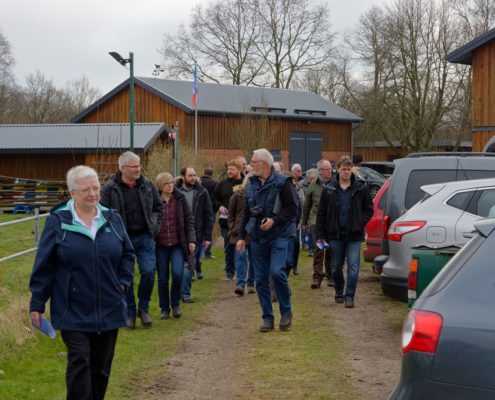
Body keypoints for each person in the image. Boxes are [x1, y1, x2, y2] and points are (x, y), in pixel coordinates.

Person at [29, 165, 134, 400]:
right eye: (86, 189)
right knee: (79, 362)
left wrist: (122, 283)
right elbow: (44, 265)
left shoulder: (112, 218)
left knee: (101, 369)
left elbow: (128, 253)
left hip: (109, 306)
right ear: (72, 193)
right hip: (72, 308)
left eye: (96, 188)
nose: (93, 194)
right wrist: (37, 302)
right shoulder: (58, 222)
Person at [237, 148, 298, 332]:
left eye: (253, 161)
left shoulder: (283, 182)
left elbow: (292, 209)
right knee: (261, 280)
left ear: (264, 163)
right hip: (257, 237)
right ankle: (267, 318)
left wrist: (274, 220)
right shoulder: (251, 183)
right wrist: (241, 237)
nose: (250, 164)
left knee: (277, 272)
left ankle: (286, 312)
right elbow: (247, 212)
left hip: (279, 235)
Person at [100, 151, 162, 329]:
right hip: (121, 239)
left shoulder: (148, 184)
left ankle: (144, 309)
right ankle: (129, 313)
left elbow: (158, 208)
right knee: (125, 277)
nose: (138, 169)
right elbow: (103, 214)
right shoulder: (110, 189)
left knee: (149, 272)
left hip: (144, 237)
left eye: (139, 165)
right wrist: (111, 235)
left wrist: (155, 228)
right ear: (123, 168)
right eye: (134, 166)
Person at [316, 156, 373, 308]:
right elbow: (321, 213)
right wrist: (320, 236)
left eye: (349, 169)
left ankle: (350, 296)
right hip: (335, 235)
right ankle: (339, 290)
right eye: (343, 169)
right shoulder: (329, 188)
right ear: (338, 170)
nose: (346, 172)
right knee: (335, 267)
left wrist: (360, 221)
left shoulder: (361, 187)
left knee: (353, 267)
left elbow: (369, 209)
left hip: (354, 235)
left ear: (351, 169)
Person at [155, 172, 196, 320]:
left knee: (178, 274)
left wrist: (191, 240)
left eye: (171, 183)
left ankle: (176, 304)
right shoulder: (154, 200)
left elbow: (189, 221)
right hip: (160, 245)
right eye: (167, 184)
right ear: (160, 186)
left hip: (178, 244)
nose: (170, 185)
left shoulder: (180, 199)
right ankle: (164, 308)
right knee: (163, 278)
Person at [177, 166, 214, 302]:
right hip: (178, 234)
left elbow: (208, 215)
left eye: (194, 175)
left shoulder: (202, 192)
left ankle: (185, 294)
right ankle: (178, 293)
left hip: (196, 234)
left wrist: (207, 237)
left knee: (189, 264)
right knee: (179, 266)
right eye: (190, 175)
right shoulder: (175, 192)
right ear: (183, 177)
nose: (193, 178)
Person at [301, 159, 333, 289]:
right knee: (319, 250)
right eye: (326, 169)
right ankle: (317, 277)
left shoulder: (335, 184)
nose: (329, 171)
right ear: (319, 171)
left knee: (331, 250)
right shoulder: (313, 185)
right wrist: (304, 222)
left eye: (330, 169)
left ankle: (331, 276)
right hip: (316, 223)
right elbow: (307, 205)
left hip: (331, 223)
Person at [213, 159, 243, 280]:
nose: (229, 171)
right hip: (226, 222)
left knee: (241, 249)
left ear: (239, 169)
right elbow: (214, 198)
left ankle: (242, 273)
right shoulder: (222, 184)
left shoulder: (245, 183)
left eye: (232, 169)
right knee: (228, 248)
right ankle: (229, 272)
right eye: (228, 169)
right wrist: (219, 206)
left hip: (242, 222)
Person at [228, 176, 255, 296]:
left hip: (254, 232)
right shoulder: (237, 196)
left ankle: (250, 283)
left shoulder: (258, 195)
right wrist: (233, 227)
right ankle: (240, 283)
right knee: (240, 258)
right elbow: (230, 214)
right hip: (238, 232)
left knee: (254, 259)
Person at [200, 167, 218, 259]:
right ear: (212, 174)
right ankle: (207, 253)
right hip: (210, 210)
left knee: (198, 230)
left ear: (204, 172)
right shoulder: (214, 183)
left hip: (199, 210)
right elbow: (216, 197)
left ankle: (199, 252)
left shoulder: (198, 181)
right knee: (208, 231)